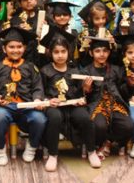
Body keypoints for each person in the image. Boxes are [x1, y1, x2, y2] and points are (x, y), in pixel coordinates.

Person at [38, 26, 97, 171]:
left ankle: (92, 151)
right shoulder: (45, 71)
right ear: (50, 53)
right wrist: (47, 100)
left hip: (72, 106)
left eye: (63, 51)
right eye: (56, 52)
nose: (60, 55)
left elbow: (80, 94)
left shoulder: (75, 71)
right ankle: (53, 154)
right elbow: (40, 91)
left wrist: (85, 91)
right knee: (55, 117)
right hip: (54, 107)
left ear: (68, 52)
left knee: (85, 117)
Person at [0, 26, 47, 166]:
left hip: (26, 106)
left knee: (40, 119)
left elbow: (37, 87)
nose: (15, 50)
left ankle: (32, 146)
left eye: (19, 47)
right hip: (5, 106)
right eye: (11, 47)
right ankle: (0, 149)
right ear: (4, 49)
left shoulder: (31, 67)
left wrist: (37, 99)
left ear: (24, 48)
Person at [82, 37, 133, 164]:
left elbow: (124, 92)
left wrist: (131, 84)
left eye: (105, 51)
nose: (101, 54)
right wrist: (86, 89)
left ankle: (107, 143)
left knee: (128, 125)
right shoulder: (86, 71)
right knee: (99, 126)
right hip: (97, 104)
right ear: (91, 53)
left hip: (115, 103)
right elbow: (81, 96)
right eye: (97, 51)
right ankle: (98, 144)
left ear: (109, 53)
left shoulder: (116, 69)